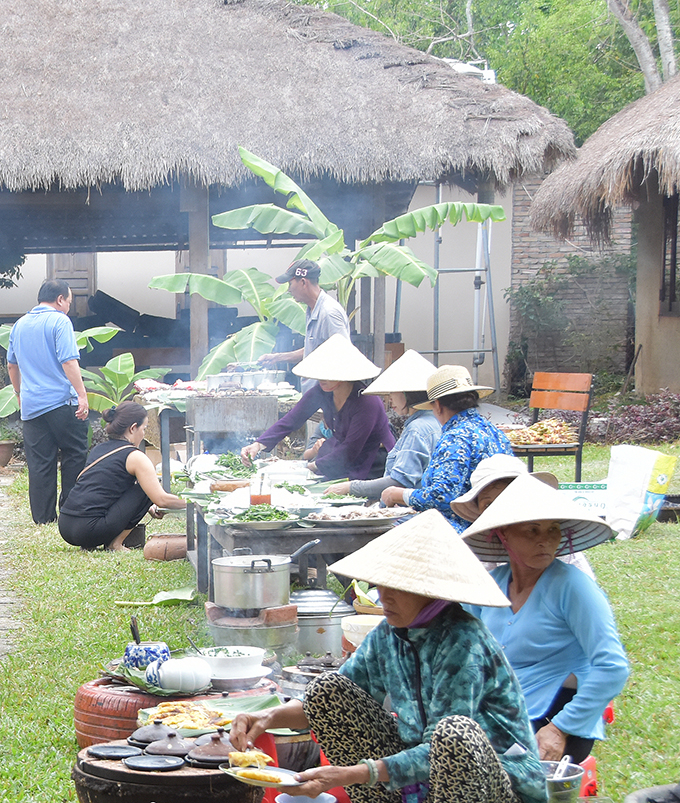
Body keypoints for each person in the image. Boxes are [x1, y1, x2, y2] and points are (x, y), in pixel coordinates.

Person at [230, 509, 548, 803]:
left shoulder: (463, 644)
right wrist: (266, 718)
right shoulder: (389, 633)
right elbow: (333, 694)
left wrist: (352, 774)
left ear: (431, 589)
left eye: (398, 586)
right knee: (327, 692)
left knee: (453, 735)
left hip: (499, 785)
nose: (384, 595)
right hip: (423, 780)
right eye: (382, 583)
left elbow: (444, 752)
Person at [463, 473, 629, 763]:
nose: (545, 540)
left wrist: (560, 729)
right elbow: (461, 649)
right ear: (503, 533)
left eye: (553, 529)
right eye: (532, 530)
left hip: (556, 718)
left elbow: (613, 667)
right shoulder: (490, 585)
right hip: (500, 710)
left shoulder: (572, 587)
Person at [241, 335, 395, 481]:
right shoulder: (322, 391)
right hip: (341, 456)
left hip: (374, 460)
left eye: (327, 374)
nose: (321, 378)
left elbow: (351, 449)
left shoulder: (367, 402)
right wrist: (258, 445)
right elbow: (292, 419)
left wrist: (310, 467)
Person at [381, 365, 513, 530]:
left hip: (463, 532)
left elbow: (442, 496)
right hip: (499, 524)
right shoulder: (494, 432)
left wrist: (399, 494)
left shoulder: (455, 438)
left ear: (437, 405)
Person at [7, 279, 89, 524]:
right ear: (60, 299)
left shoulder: (19, 325)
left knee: (40, 462)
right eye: (69, 303)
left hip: (32, 407)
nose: (68, 308)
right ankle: (70, 511)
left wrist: (20, 393)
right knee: (75, 454)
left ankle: (43, 519)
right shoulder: (60, 321)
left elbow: (12, 364)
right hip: (62, 403)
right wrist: (82, 395)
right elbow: (68, 361)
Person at [58, 402, 186, 551]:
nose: (144, 434)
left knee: (143, 490)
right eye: (144, 429)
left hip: (66, 526)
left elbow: (106, 488)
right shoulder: (135, 456)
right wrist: (194, 502)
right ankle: (115, 544)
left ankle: (95, 543)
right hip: (89, 530)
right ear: (133, 428)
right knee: (145, 489)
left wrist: (146, 506)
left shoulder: (99, 449)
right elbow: (161, 499)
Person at [450, 454, 595, 578]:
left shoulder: (553, 546)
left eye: (506, 499)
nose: (498, 510)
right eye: (488, 505)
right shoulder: (478, 557)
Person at [324, 350, 440, 500]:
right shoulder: (434, 421)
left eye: (393, 391)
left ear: (407, 393)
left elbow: (399, 481)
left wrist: (350, 487)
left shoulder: (417, 429)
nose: (389, 398)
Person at [259, 259, 350, 392]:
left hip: (327, 397)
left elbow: (343, 354)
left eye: (290, 283)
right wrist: (276, 358)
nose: (289, 289)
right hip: (314, 396)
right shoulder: (312, 310)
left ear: (303, 282)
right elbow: (311, 351)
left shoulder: (329, 313)